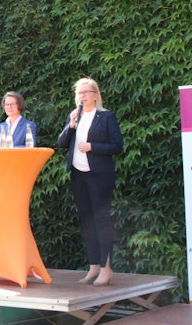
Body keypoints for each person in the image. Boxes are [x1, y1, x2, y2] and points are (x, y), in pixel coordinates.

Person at [57, 78, 123, 286]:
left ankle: (106, 268)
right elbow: (61, 143)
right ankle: (94, 266)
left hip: (100, 175)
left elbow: (117, 146)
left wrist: (92, 146)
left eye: (86, 92)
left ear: (95, 95)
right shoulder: (75, 116)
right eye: (79, 93)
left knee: (101, 221)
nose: (82, 96)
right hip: (79, 175)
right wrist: (70, 125)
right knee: (87, 221)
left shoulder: (106, 117)